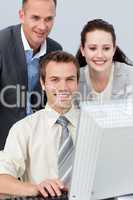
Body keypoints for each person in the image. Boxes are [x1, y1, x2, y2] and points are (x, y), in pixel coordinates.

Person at [0, 51, 80, 198]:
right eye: (55, 79)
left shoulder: (95, 125)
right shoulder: (24, 129)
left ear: (77, 83)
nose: (63, 87)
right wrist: (36, 189)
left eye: (70, 79)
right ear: (43, 83)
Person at [0, 0, 62, 150]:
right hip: (4, 146)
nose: (42, 26)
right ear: (22, 16)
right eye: (35, 18)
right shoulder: (2, 44)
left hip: (39, 146)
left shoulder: (55, 50)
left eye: (48, 19)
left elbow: (54, 103)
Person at [76, 19, 133, 103]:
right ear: (83, 50)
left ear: (114, 49)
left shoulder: (130, 76)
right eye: (92, 48)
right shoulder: (73, 79)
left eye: (106, 48)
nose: (100, 55)